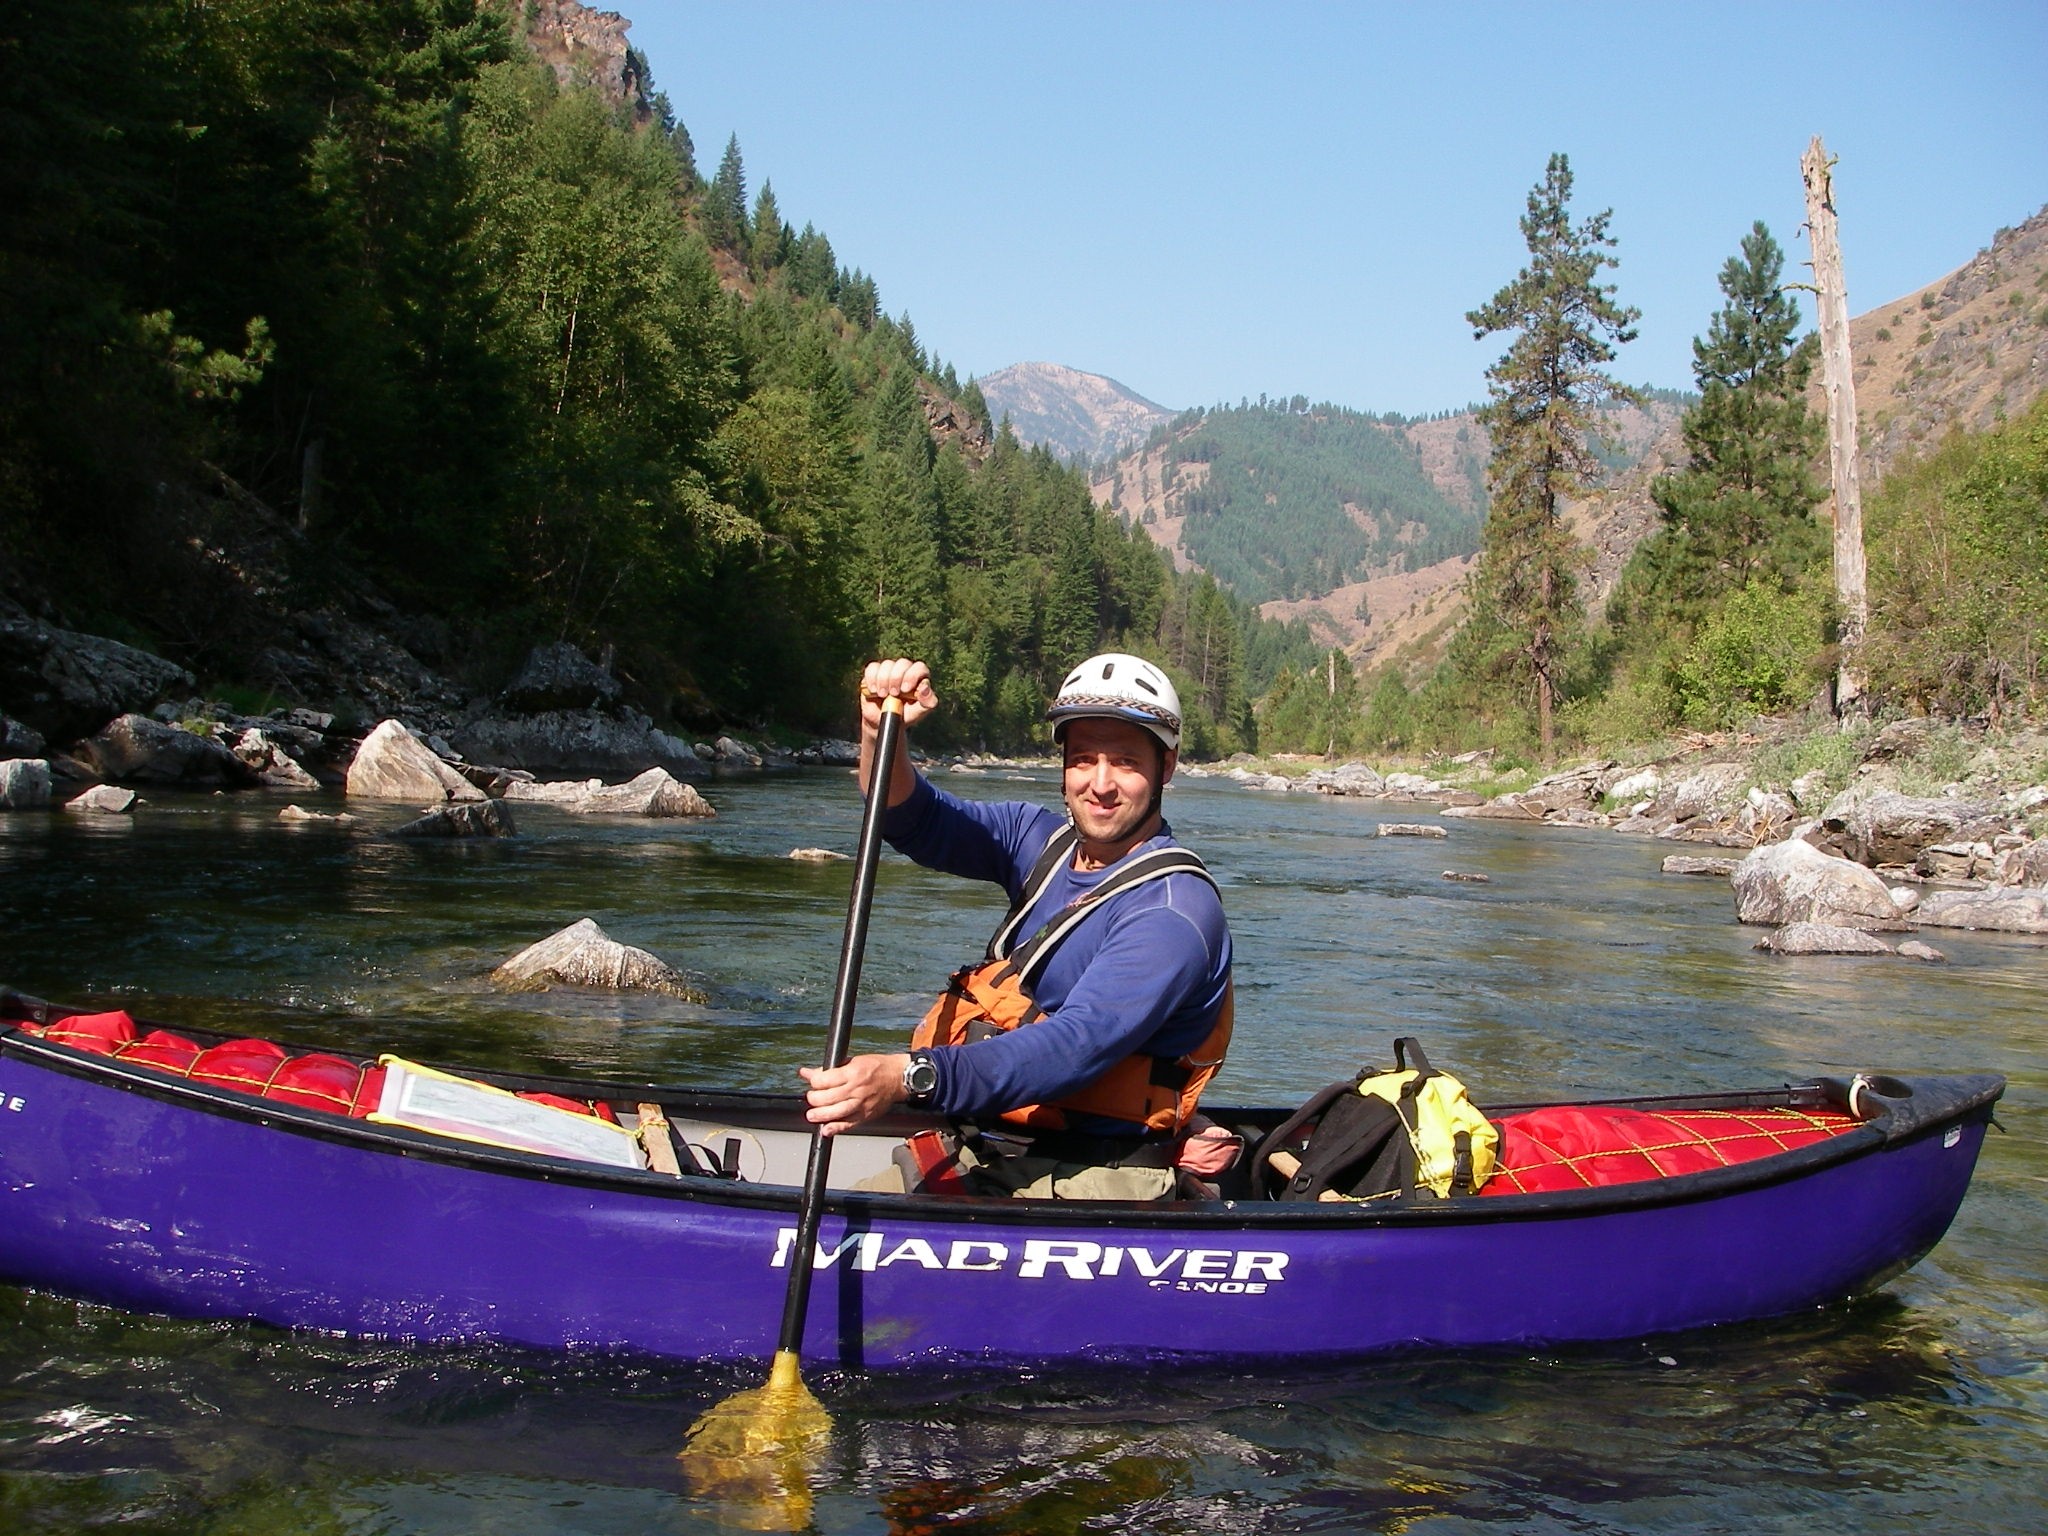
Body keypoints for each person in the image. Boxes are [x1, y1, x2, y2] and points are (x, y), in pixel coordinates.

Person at [800, 653, 1234, 1200]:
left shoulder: (1172, 912)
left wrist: (906, 1076)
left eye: (1125, 762)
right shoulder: (1042, 842)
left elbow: (1073, 1048)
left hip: (1098, 1172)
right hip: (991, 1144)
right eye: (1082, 760)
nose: (1100, 784)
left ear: (1165, 767)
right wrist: (877, 729)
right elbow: (910, 817)